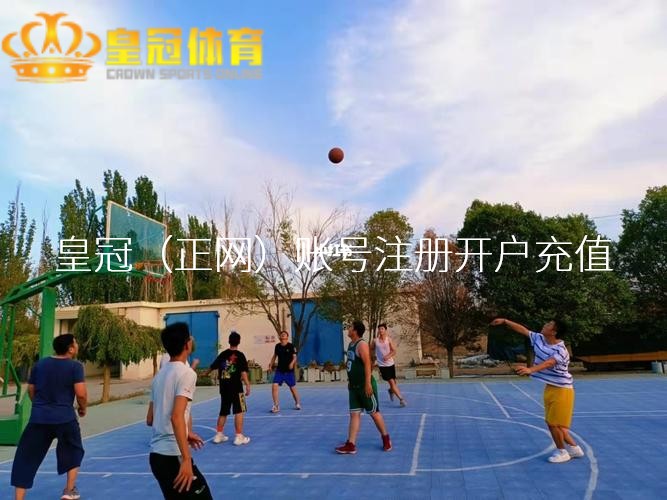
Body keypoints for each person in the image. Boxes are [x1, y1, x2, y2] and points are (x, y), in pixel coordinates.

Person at [490, 317, 585, 463]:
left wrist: (530, 369)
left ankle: (562, 452)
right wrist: (505, 321)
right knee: (556, 424)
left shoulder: (561, 350)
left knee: (553, 424)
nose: (545, 324)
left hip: (563, 390)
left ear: (554, 332)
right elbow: (523, 330)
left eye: (549, 324)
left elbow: (549, 363)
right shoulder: (539, 338)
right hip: (550, 387)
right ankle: (575, 449)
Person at [11, 334, 87, 500]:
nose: (77, 345)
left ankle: (18, 498)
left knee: (26, 457)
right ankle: (69, 490)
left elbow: (31, 389)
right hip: (65, 418)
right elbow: (81, 393)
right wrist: (83, 408)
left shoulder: (40, 364)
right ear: (71, 349)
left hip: (39, 418)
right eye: (76, 343)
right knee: (74, 451)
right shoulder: (75, 366)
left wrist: (39, 405)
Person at [146, 322, 212, 499]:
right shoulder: (187, 373)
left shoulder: (158, 376)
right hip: (173, 455)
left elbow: (150, 419)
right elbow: (176, 417)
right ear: (187, 344)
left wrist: (187, 433)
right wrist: (186, 459)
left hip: (157, 457)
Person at [336, 320, 392, 454]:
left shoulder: (361, 345)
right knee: (354, 414)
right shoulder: (351, 344)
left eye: (350, 327)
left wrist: (367, 383)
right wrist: (350, 381)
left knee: (374, 412)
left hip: (364, 385)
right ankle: (351, 444)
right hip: (354, 386)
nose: (348, 329)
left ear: (355, 331)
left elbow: (368, 364)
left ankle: (386, 438)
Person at [202, 331, 251, 446]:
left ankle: (219, 434)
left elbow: (212, 366)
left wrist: (204, 374)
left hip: (224, 387)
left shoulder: (223, 354)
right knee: (239, 410)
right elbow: (243, 372)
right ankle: (239, 436)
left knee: (223, 411)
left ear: (229, 341)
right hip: (237, 387)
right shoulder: (240, 355)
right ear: (239, 342)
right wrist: (248, 384)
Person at [371, 323, 406, 407]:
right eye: (379, 329)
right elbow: (371, 349)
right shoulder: (375, 341)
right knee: (392, 382)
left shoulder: (389, 340)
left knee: (394, 382)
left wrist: (388, 356)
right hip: (382, 366)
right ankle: (401, 399)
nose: (380, 330)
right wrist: (373, 358)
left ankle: (390, 390)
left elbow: (394, 351)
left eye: (382, 329)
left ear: (385, 330)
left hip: (391, 364)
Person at [268, 330, 302, 412]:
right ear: (280, 337)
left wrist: (292, 363)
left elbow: (295, 357)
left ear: (287, 337)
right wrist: (270, 365)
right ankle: (276, 406)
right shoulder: (277, 346)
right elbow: (274, 356)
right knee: (274, 385)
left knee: (292, 388)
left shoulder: (291, 346)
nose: (283, 335)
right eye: (281, 334)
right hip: (279, 371)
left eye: (284, 334)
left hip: (289, 372)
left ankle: (297, 403)